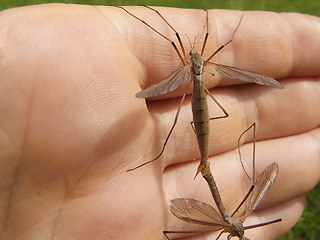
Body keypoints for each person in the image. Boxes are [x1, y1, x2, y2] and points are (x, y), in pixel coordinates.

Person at [0, 3, 319, 239]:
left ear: (192, 58)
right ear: (200, 59)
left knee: (186, 100)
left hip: (196, 93)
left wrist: (147, 16)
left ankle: (160, 151)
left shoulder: (188, 58)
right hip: (201, 93)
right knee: (200, 111)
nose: (195, 53)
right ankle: (162, 152)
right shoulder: (206, 60)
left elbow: (177, 40)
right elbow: (208, 41)